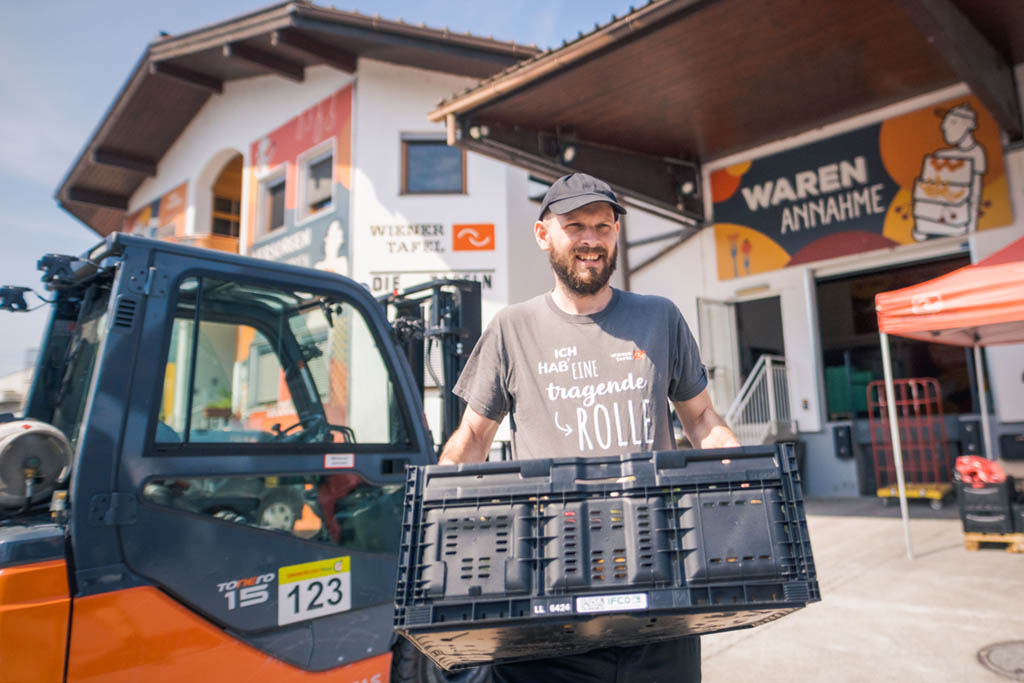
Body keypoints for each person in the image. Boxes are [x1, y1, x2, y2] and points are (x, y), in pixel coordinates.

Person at [439, 172, 740, 682]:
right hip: (548, 600)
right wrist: (441, 509)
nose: (590, 240)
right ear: (543, 235)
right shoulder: (513, 327)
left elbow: (701, 418)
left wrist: (747, 482)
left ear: (616, 232)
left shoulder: (659, 317)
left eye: (603, 226)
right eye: (575, 225)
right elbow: (474, 437)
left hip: (658, 591)